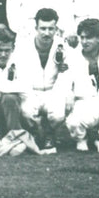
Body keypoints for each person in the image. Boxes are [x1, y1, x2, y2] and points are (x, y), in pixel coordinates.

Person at [0, 24, 46, 156]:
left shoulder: (20, 63)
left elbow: (26, 91)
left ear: (13, 48)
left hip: (13, 113)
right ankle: (16, 142)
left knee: (9, 98)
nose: (3, 54)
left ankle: (16, 137)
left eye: (7, 50)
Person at [14, 8, 70, 154]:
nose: (46, 33)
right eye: (43, 28)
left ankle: (50, 133)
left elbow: (67, 74)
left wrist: (59, 94)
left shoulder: (62, 45)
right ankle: (36, 132)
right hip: (31, 91)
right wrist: (27, 95)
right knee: (26, 112)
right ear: (36, 28)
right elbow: (19, 75)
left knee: (58, 114)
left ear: (56, 28)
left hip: (53, 91)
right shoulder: (23, 46)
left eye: (51, 29)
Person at [62, 18, 99, 153]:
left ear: (98, 38)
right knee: (73, 122)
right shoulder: (74, 56)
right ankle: (82, 139)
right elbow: (66, 80)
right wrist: (69, 96)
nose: (84, 42)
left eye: (89, 38)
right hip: (84, 100)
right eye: (82, 37)